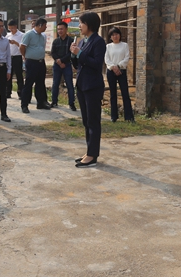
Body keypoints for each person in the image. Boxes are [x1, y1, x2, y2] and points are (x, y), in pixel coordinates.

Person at [70, 12, 106, 168]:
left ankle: (92, 155)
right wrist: (73, 55)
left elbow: (97, 64)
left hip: (92, 86)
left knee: (93, 121)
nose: (79, 26)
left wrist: (80, 53)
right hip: (82, 85)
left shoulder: (99, 42)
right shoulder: (83, 41)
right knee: (86, 121)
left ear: (89, 24)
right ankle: (89, 151)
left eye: (81, 23)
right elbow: (78, 64)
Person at [20, 17, 51, 113]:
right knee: (29, 83)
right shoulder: (29, 34)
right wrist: (25, 56)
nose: (46, 28)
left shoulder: (42, 36)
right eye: (45, 26)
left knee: (40, 83)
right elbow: (22, 47)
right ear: (40, 25)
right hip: (31, 62)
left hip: (41, 62)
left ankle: (41, 102)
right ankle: (24, 105)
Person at [105, 27, 135, 122]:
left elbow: (127, 58)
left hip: (121, 71)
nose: (115, 36)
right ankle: (114, 116)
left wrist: (118, 66)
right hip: (111, 71)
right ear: (110, 37)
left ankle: (129, 117)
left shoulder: (124, 45)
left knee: (125, 93)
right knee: (113, 94)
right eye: (113, 35)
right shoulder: (108, 46)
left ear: (120, 35)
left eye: (116, 34)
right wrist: (114, 67)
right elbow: (106, 59)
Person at [50, 21, 76, 111]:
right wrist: (58, 61)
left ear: (66, 29)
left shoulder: (71, 41)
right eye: (58, 29)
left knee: (69, 84)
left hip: (67, 65)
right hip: (57, 65)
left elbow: (71, 53)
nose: (60, 31)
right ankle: (54, 101)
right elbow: (53, 53)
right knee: (55, 84)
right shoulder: (56, 41)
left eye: (61, 29)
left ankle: (72, 103)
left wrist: (62, 61)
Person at [6, 19, 24, 99]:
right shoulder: (8, 35)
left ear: (16, 26)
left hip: (17, 57)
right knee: (8, 75)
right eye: (9, 28)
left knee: (19, 75)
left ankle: (21, 92)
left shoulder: (21, 35)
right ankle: (8, 92)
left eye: (12, 28)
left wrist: (15, 43)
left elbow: (23, 46)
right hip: (9, 57)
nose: (11, 30)